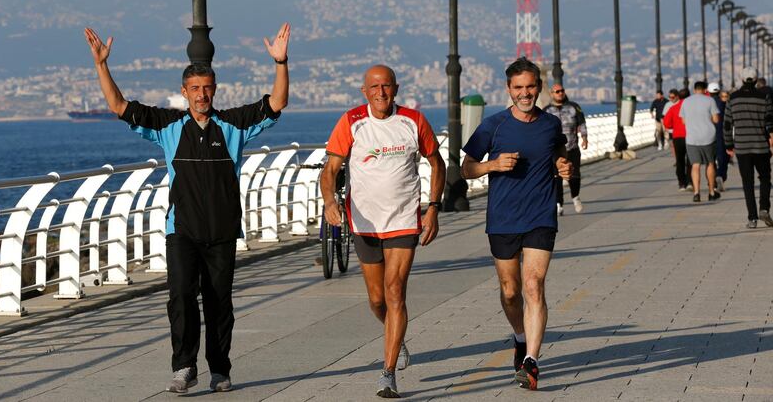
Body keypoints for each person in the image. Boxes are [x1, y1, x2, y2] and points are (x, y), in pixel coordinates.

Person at [84, 24, 291, 394]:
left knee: (218, 303)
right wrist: (102, 65)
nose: (201, 94)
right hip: (181, 230)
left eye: (207, 88)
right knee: (180, 295)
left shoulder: (233, 125)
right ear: (184, 92)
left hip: (223, 231)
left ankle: (219, 369)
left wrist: (281, 62)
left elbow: (276, 103)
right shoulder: (168, 126)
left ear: (215, 90)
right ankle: (183, 366)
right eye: (194, 89)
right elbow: (118, 106)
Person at [320, 65, 446, 398]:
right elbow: (330, 169)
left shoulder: (413, 121)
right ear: (364, 91)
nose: (381, 92)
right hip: (365, 224)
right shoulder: (351, 121)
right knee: (377, 301)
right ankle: (397, 336)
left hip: (404, 220)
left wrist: (433, 208)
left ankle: (387, 372)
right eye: (374, 87)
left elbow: (437, 163)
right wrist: (330, 201)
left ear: (396, 88)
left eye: (386, 86)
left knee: (394, 292)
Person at [461, 57, 571, 391]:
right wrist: (492, 165)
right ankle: (520, 338)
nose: (525, 93)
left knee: (534, 285)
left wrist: (562, 165)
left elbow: (558, 155)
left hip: (540, 215)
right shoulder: (493, 126)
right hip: (503, 218)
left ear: (539, 87)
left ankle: (532, 362)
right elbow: (466, 169)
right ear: (509, 89)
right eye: (518, 87)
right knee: (511, 292)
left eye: (531, 87)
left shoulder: (551, 125)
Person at [724, 67, 773, 228]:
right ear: (756, 78)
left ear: (742, 79)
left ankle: (752, 218)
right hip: (761, 146)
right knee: (765, 178)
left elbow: (726, 124)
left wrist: (729, 145)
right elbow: (770, 123)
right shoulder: (764, 97)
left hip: (742, 147)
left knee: (747, 182)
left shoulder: (733, 98)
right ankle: (764, 208)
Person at [543, 83, 588, 214]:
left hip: (572, 147)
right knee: (557, 177)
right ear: (552, 93)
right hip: (555, 150)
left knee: (574, 175)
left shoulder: (574, 107)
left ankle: (575, 197)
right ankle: (559, 204)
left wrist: (584, 137)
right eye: (556, 91)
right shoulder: (546, 111)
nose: (560, 93)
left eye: (561, 91)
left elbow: (582, 122)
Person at [679, 81, 720, 203]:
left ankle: (696, 193)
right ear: (705, 90)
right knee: (710, 163)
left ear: (694, 89)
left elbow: (683, 121)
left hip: (692, 138)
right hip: (708, 137)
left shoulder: (686, 102)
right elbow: (716, 119)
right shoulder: (710, 101)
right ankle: (712, 192)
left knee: (695, 165)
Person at [663, 88, 690, 191]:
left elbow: (667, 123)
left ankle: (682, 183)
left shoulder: (674, 108)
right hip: (691, 136)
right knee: (691, 161)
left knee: (680, 160)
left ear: (678, 96)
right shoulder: (692, 108)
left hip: (678, 137)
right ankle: (690, 182)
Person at [709, 83, 728, 191]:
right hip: (722, 133)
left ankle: (712, 183)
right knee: (723, 157)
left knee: (711, 159)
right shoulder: (723, 103)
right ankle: (721, 175)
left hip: (709, 133)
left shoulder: (706, 103)